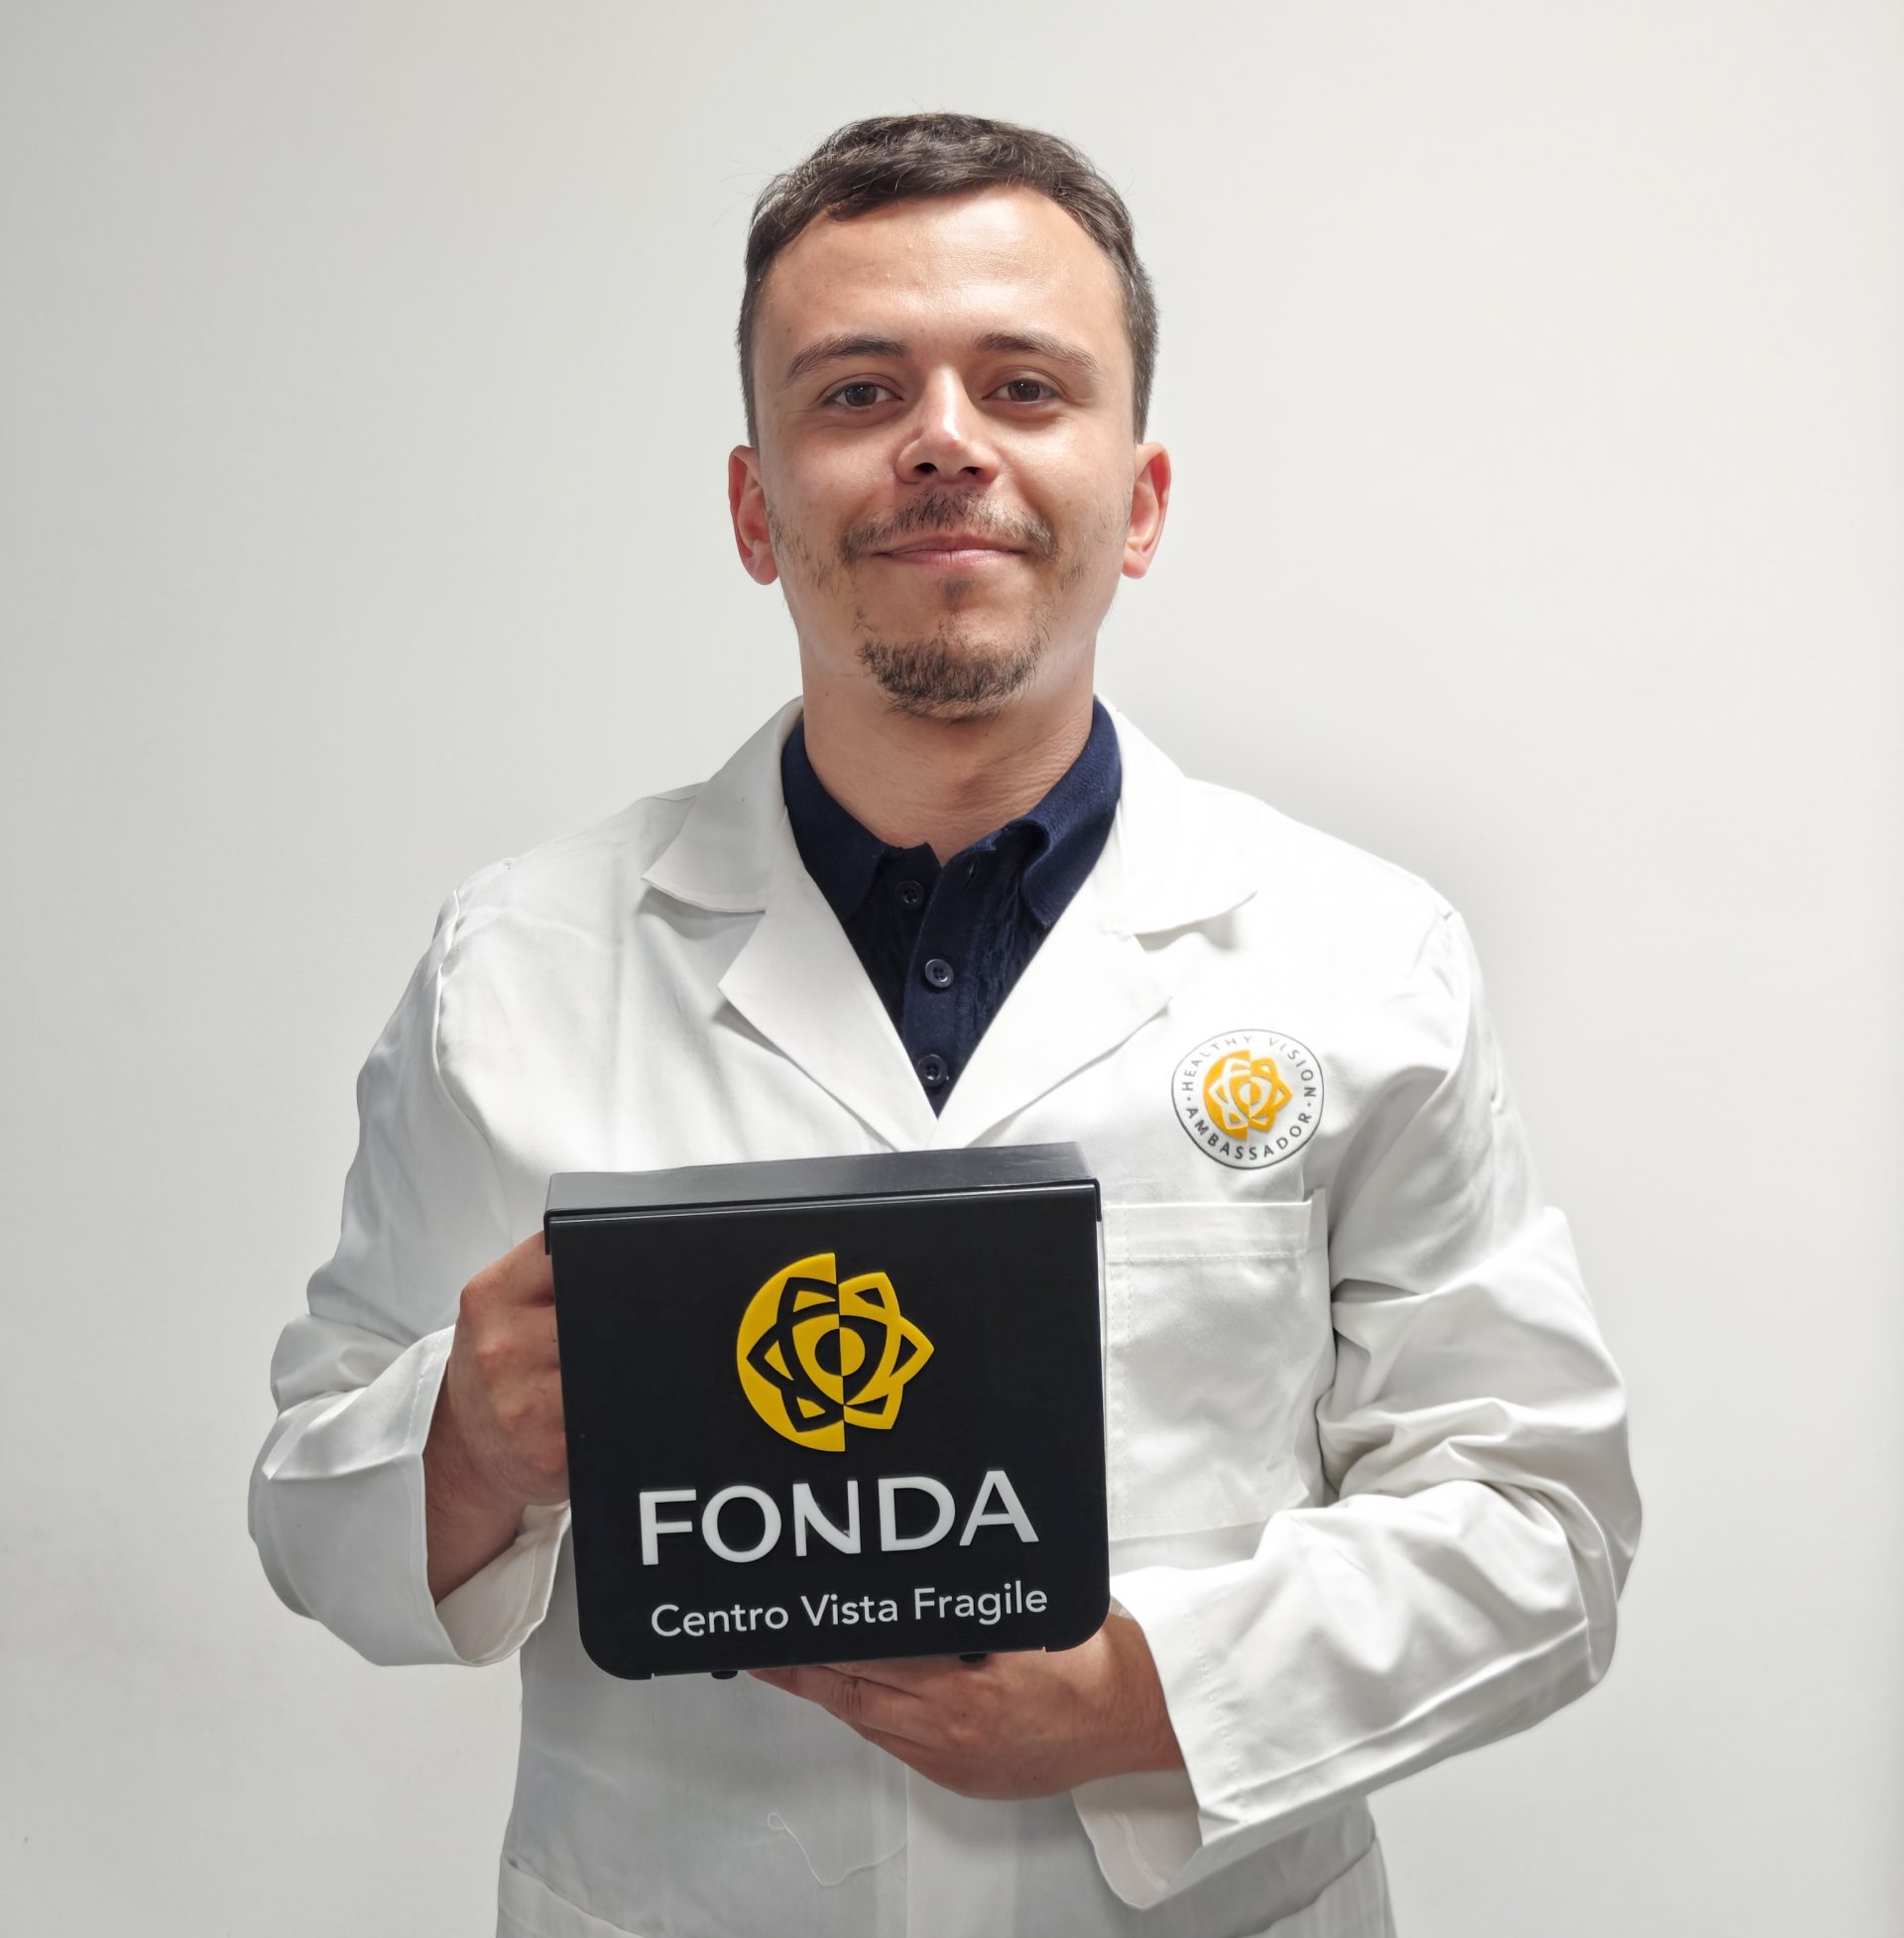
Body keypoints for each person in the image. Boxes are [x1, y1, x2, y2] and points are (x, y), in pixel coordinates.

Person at [248, 111, 1642, 1938]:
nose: (944, 441)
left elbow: (1544, 1522)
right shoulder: (515, 968)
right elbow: (306, 1508)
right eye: (856, 392)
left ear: (1140, 498)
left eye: (1024, 384)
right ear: (756, 510)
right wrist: (462, 1446)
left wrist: (1142, 1696)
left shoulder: (1361, 959)